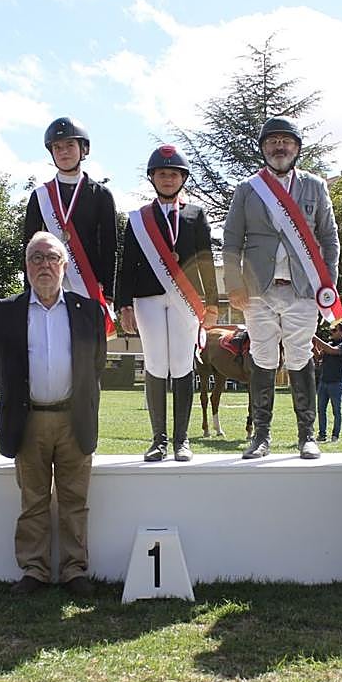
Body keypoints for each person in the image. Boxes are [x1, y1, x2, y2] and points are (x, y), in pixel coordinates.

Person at [0, 231, 107, 597]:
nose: (44, 265)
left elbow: (96, 364)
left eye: (52, 257)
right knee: (33, 500)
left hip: (74, 419)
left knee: (74, 501)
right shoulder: (5, 311)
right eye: (36, 258)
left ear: (64, 266)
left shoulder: (89, 311)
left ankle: (74, 570)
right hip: (29, 420)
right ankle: (34, 569)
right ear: (26, 266)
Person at [223, 116, 342, 460]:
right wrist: (233, 283)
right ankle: (260, 436)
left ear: (296, 148)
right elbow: (231, 240)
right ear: (263, 148)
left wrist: (328, 285)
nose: (279, 147)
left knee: (300, 356)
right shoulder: (247, 188)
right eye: (272, 141)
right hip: (257, 290)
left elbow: (329, 238)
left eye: (286, 141)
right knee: (262, 357)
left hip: (303, 288)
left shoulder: (315, 186)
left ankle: (307, 435)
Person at [116, 145, 218, 461]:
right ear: (153, 178)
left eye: (174, 174)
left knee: (183, 364)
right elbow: (127, 263)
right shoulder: (138, 219)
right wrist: (123, 304)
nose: (168, 179)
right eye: (162, 173)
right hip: (147, 298)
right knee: (156, 364)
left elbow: (205, 261)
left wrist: (213, 302)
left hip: (186, 300)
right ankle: (158, 440)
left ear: (182, 178)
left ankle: (181, 440)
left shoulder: (195, 214)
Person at [24, 116, 117, 336]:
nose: (63, 152)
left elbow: (109, 246)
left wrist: (109, 293)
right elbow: (28, 247)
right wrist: (29, 289)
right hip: (49, 282)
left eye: (69, 145)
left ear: (83, 149)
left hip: (89, 283)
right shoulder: (40, 197)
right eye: (57, 147)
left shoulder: (101, 195)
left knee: (86, 347)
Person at [312, 322, 342, 443]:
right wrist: (313, 345)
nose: (331, 332)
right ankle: (322, 435)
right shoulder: (329, 344)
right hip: (324, 382)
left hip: (336, 383)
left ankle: (335, 435)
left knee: (336, 411)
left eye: (334, 330)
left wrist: (315, 337)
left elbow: (332, 351)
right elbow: (318, 357)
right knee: (321, 410)